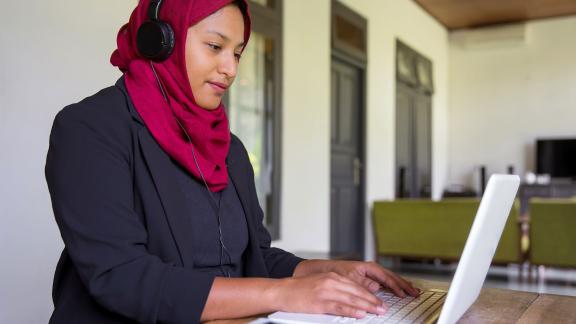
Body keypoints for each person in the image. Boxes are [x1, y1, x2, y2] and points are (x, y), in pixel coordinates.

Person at [45, 0, 419, 323]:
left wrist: (326, 270)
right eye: (214, 46)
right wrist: (283, 295)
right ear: (160, 42)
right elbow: (122, 277)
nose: (231, 69)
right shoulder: (90, 129)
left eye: (237, 52)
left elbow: (256, 257)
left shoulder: (229, 148)